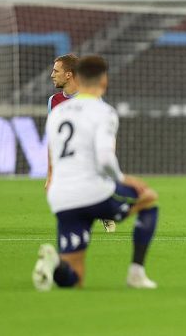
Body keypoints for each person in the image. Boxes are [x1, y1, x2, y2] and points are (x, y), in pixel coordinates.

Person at [32, 55, 159, 290]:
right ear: (103, 80)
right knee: (149, 199)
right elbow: (104, 157)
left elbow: (52, 148)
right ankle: (136, 273)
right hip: (92, 191)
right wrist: (122, 179)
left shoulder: (58, 112)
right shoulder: (103, 111)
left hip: (61, 196)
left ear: (76, 77)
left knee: (75, 277)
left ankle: (56, 264)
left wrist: (51, 177)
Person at [46, 54, 116, 233]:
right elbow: (52, 140)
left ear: (69, 75)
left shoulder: (92, 100)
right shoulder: (53, 101)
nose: (52, 74)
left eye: (56, 71)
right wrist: (50, 174)